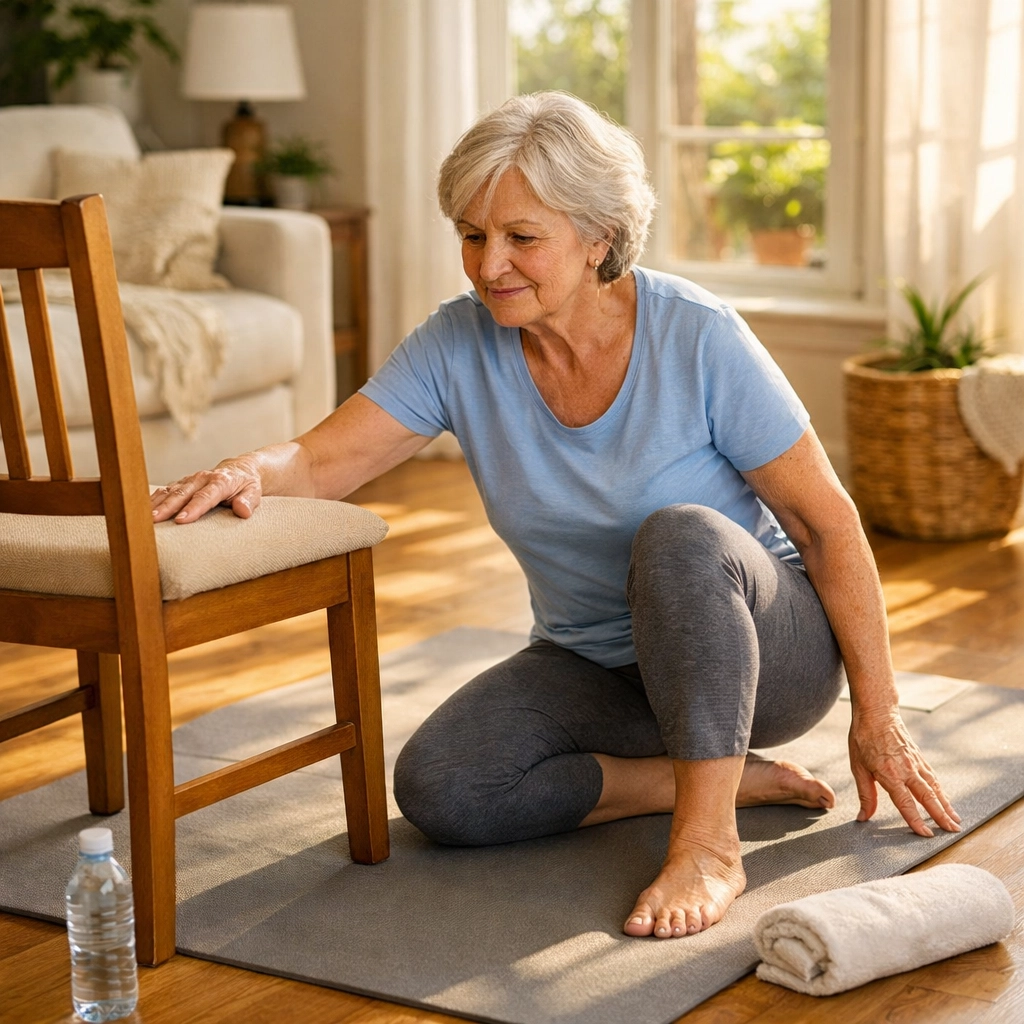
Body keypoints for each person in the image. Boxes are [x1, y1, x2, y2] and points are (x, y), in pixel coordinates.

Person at [151, 91, 960, 940]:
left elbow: (828, 524)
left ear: (598, 238)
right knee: (445, 787)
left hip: (760, 654)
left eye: (521, 237)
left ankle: (710, 842)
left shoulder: (698, 336)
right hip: (599, 663)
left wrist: (878, 713)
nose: (488, 264)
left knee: (680, 534)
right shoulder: (457, 343)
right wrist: (248, 467)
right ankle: (716, 778)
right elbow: (320, 458)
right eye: (472, 235)